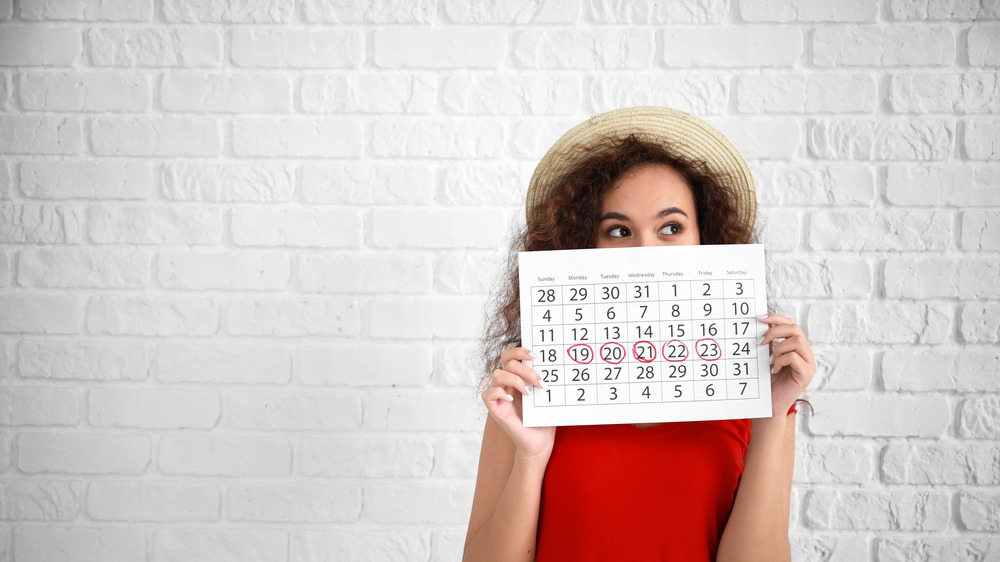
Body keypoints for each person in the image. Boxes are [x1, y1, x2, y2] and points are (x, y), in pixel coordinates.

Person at [462, 107, 816, 561]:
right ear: (583, 245)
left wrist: (770, 418)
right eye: (618, 230)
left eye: (671, 227)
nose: (646, 251)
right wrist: (532, 457)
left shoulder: (763, 392)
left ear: (704, 238)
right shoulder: (526, 390)